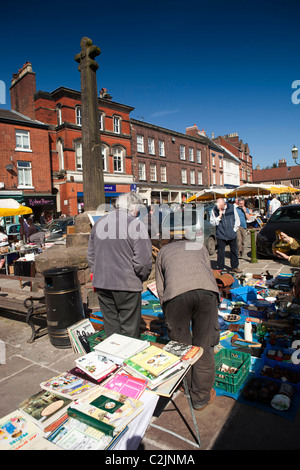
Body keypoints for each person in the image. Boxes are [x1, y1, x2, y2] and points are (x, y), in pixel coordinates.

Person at [155, 236, 220, 411]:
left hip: (176, 296)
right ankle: (200, 398)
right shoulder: (199, 246)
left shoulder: (163, 251)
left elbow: (160, 288)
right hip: (206, 292)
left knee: (182, 347)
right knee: (204, 346)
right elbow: (208, 271)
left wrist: (168, 314)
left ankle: (187, 386)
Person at [87, 192, 153, 339]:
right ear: (133, 207)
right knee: (129, 331)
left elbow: (90, 256)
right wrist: (139, 278)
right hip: (127, 285)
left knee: (111, 329)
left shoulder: (99, 223)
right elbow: (143, 262)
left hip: (103, 284)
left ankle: (113, 358)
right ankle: (126, 359)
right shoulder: (136, 225)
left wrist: (98, 273)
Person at [210, 198, 242, 273]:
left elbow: (237, 219)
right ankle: (220, 267)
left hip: (232, 234)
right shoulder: (214, 210)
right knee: (221, 252)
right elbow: (213, 223)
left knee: (234, 251)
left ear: (224, 204)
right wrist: (219, 216)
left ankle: (235, 266)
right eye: (219, 207)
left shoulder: (232, 207)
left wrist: (234, 229)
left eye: (221, 207)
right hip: (221, 234)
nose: (220, 209)